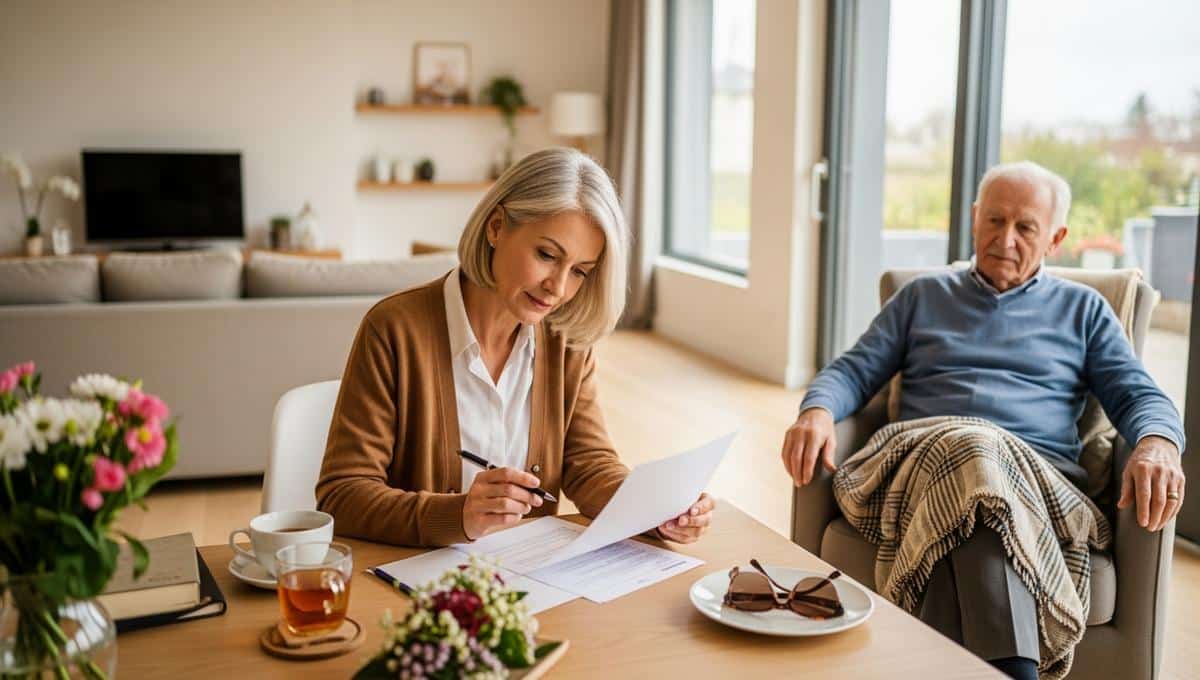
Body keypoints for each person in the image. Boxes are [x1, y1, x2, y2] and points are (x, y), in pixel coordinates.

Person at [780, 161, 1185, 680]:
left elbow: (1138, 394)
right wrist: (815, 411)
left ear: (1055, 238)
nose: (1006, 239)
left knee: (979, 488)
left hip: (1035, 486)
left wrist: (1157, 443)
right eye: (995, 220)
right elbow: (851, 373)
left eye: (1025, 227)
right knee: (972, 448)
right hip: (917, 467)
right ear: (974, 219)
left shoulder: (1084, 311)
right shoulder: (922, 297)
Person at [317, 147, 714, 547]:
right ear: (495, 227)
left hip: (528, 585)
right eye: (546, 255)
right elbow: (343, 494)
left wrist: (652, 510)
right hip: (420, 587)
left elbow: (589, 465)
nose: (558, 288)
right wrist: (459, 515)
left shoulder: (565, 340)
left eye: (579, 271)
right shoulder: (394, 329)